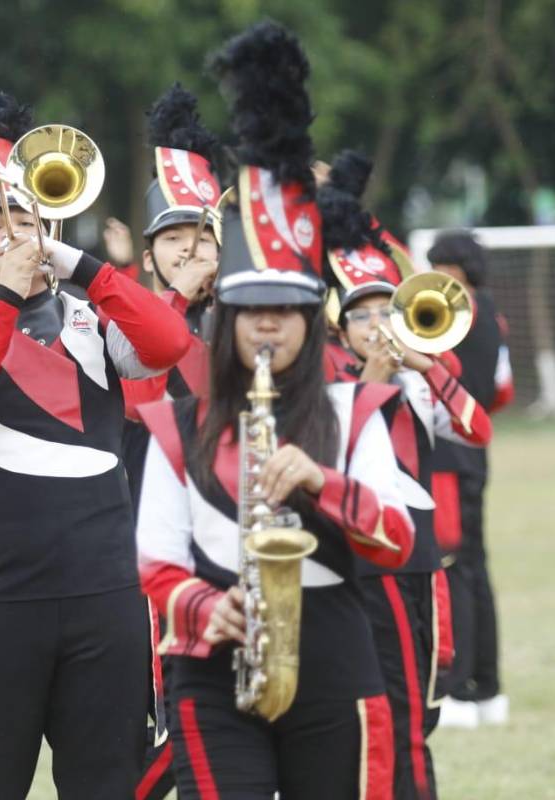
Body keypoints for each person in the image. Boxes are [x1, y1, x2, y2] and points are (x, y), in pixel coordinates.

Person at [135, 23, 415, 799]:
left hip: (335, 662)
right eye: (251, 309)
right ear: (226, 320)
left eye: (285, 309)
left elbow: (397, 539)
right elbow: (154, 560)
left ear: (310, 319)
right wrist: (202, 606)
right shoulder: (177, 426)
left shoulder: (354, 411)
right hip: (210, 664)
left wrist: (323, 482)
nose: (267, 324)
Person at [0, 91, 191, 799]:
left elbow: (168, 343)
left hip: (104, 592)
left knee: (108, 782)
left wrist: (82, 266)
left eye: (27, 221)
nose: (12, 235)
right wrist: (4, 298)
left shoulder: (95, 323)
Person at [321, 152, 494, 799]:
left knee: (422, 707)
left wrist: (427, 367)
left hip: (419, 560)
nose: (376, 326)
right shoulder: (330, 384)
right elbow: (336, 455)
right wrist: (372, 379)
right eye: (361, 315)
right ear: (340, 327)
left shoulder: (418, 382)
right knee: (378, 714)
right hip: (363, 564)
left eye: (382, 312)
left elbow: (477, 429)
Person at [117, 82, 224, 800]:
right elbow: (137, 400)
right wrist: (179, 300)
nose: (191, 252)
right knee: (171, 716)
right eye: (174, 241)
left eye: (203, 238)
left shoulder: (253, 317)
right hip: (159, 542)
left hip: (240, 530)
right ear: (150, 256)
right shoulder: (137, 317)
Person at [426, 231, 512, 729]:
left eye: (445, 265)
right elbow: (503, 389)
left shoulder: (453, 309)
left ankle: (458, 689)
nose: (437, 274)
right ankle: (488, 687)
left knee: (453, 567)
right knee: (475, 568)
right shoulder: (495, 314)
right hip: (475, 454)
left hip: (446, 455)